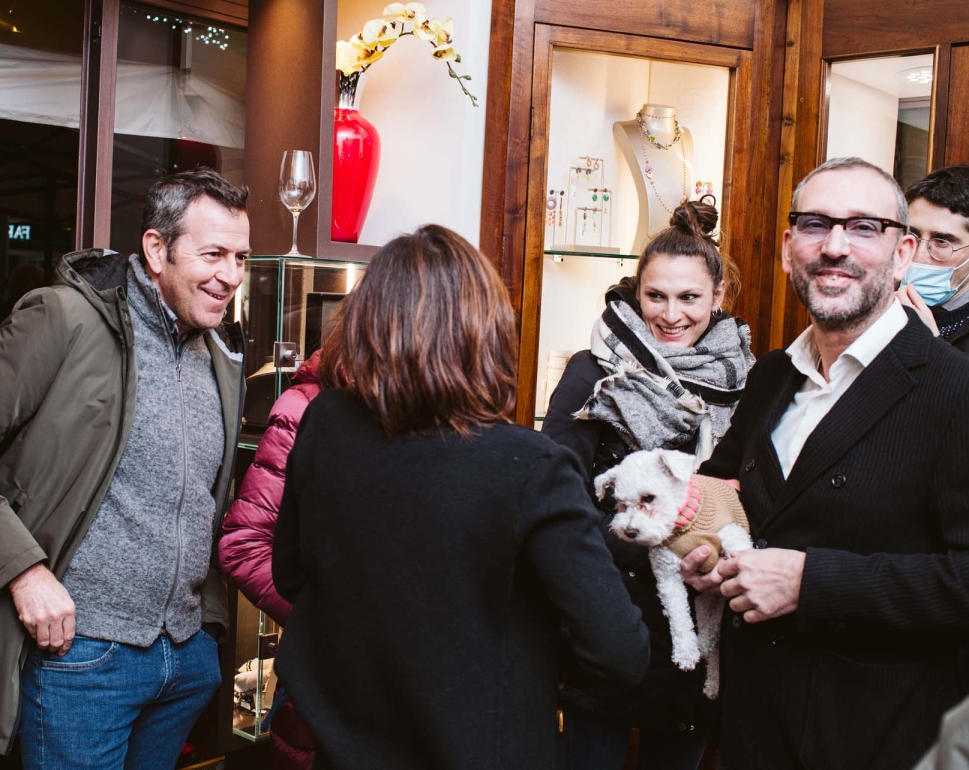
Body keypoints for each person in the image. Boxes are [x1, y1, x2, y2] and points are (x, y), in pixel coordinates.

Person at [272, 225, 651, 770]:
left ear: (366, 324)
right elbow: (618, 651)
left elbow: (291, 575)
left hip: (344, 742)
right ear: (485, 333)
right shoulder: (529, 466)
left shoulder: (326, 421)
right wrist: (514, 658)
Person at [0, 168, 251, 769]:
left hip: (185, 658)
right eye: (213, 254)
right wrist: (24, 572)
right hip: (83, 656)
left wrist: (208, 627)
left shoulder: (220, 352)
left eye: (240, 257)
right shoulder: (64, 319)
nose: (231, 275)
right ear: (157, 250)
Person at [684, 157, 969, 770]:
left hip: (879, 736)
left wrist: (812, 583)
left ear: (902, 253)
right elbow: (719, 491)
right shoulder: (771, 376)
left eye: (864, 227)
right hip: (753, 727)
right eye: (816, 224)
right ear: (789, 249)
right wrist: (702, 550)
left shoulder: (953, 390)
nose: (835, 246)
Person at [542, 200, 753, 770]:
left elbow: (746, 493)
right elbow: (557, 493)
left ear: (718, 296)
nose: (671, 314)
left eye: (689, 297)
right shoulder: (594, 370)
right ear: (637, 293)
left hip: (699, 613)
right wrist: (654, 544)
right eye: (655, 296)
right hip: (608, 610)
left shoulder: (746, 380)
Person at [218, 348, 324, 770]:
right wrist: (323, 619)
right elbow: (243, 544)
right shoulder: (306, 404)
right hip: (322, 675)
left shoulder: (440, 409)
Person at [896, 164, 969, 351]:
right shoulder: (883, 302)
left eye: (942, 242)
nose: (918, 256)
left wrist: (932, 345)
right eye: (912, 235)